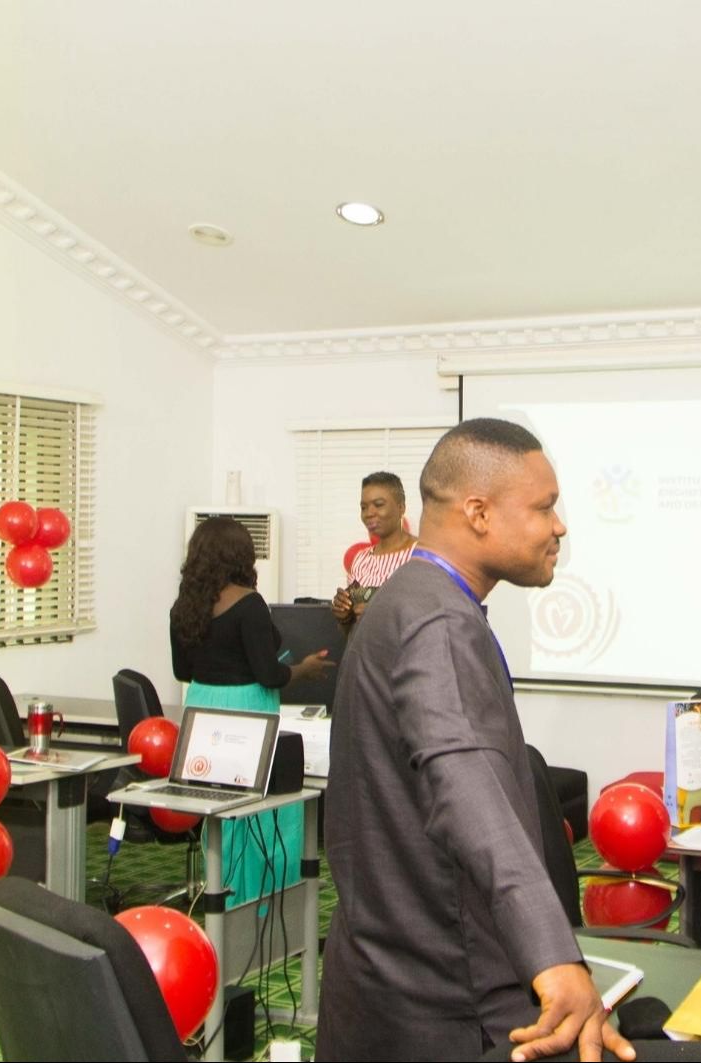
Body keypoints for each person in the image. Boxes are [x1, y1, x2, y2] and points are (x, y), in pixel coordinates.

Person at [318, 419, 630, 1063]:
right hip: (444, 1001)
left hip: (383, 978)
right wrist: (553, 956)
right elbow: (467, 790)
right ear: (479, 513)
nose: (559, 526)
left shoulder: (408, 598)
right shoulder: (437, 619)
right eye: (544, 507)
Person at [170, 517, 334, 911]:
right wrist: (305, 670)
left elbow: (182, 671)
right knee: (264, 812)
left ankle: (221, 896)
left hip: (202, 710)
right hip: (247, 711)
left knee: (219, 811)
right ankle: (264, 904)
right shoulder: (249, 604)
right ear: (240, 556)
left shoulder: (184, 606)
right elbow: (269, 675)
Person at [332, 471, 418, 631]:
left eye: (378, 505)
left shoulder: (421, 554)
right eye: (363, 507)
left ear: (401, 508)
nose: (369, 513)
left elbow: (435, 619)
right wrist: (344, 616)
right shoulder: (361, 560)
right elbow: (351, 633)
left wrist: (384, 616)